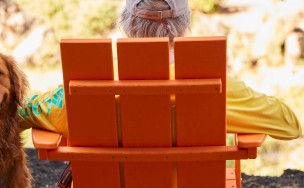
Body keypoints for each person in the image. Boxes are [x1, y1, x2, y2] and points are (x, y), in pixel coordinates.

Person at [18, 0, 302, 141]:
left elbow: (24, 113)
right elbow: (290, 126)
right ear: (184, 24)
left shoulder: (86, 87)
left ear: (127, 24)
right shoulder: (217, 88)